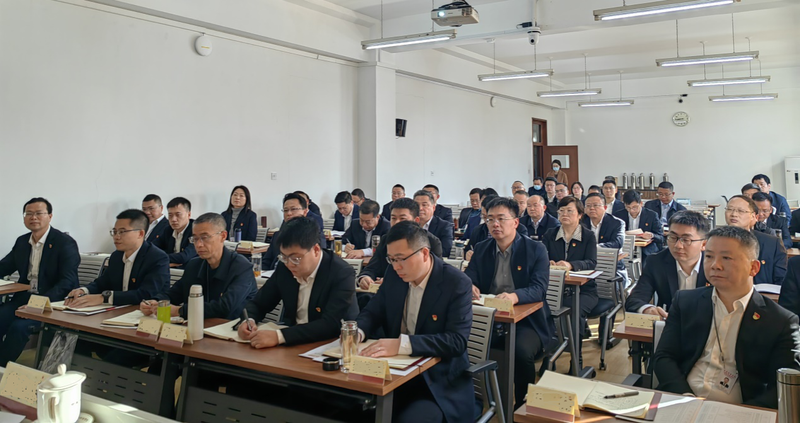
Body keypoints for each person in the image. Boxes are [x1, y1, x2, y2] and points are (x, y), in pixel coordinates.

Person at [653, 226, 798, 409]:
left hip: (739, 411)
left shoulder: (780, 321)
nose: (715, 265)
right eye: (709, 256)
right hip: (681, 401)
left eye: (726, 258)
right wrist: (685, 397)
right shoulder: (685, 302)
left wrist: (739, 413)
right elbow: (664, 357)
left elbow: (783, 385)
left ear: (753, 267)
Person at [355, 222, 474, 422]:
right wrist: (357, 332)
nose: (396, 266)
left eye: (401, 259)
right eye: (391, 259)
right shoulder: (394, 274)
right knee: (346, 406)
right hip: (394, 374)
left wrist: (401, 345)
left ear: (425, 253)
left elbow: (456, 341)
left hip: (436, 383)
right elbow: (373, 311)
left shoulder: (456, 282)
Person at [464, 197, 553, 409]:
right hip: (490, 319)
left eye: (501, 219)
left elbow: (539, 288)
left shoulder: (536, 249)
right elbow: (468, 278)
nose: (495, 224)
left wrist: (514, 296)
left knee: (520, 352)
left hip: (528, 321)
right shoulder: (482, 249)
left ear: (515, 222)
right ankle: (474, 400)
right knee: (462, 344)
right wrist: (469, 286)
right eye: (490, 219)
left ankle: (522, 403)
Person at [239, 218, 357, 348]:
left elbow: (331, 324)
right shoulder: (285, 268)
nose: (289, 264)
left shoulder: (341, 273)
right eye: (284, 257)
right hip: (293, 344)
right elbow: (259, 303)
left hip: (329, 346)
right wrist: (248, 321)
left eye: (296, 258)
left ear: (316, 250)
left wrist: (279, 336)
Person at [0, 198, 80, 366]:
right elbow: (5, 266)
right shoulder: (22, 241)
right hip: (25, 297)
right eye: (29, 213)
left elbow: (67, 282)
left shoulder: (65, 243)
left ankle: (2, 365)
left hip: (53, 301)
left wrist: (38, 303)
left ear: (50, 216)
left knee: (19, 327)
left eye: (38, 213)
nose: (33, 217)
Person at [142, 212, 258, 320]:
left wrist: (180, 311)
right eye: (195, 239)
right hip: (198, 325)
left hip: (231, 328)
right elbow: (175, 293)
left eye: (205, 237)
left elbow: (225, 308)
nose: (199, 244)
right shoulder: (194, 265)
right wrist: (155, 301)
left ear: (223, 236)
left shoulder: (241, 267)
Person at [65, 209, 169, 308]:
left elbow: (146, 294)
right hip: (118, 311)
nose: (116, 237)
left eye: (122, 232)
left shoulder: (157, 258)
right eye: (114, 232)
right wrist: (84, 290)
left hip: (144, 314)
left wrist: (105, 298)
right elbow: (102, 283)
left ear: (140, 234)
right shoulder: (116, 256)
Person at [626, 211, 710, 316]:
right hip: (669, 321)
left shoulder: (715, 265)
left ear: (704, 244)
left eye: (686, 240)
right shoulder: (656, 262)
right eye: (673, 237)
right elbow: (635, 299)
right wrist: (647, 309)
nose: (678, 245)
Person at [357, 198, 443, 291]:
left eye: (402, 218)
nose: (396, 222)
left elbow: (435, 276)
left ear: (416, 220)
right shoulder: (386, 239)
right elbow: (372, 267)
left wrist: (393, 282)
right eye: (393, 218)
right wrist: (365, 277)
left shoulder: (431, 241)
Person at [542, 197, 598, 338]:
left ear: (580, 215)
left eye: (569, 211)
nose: (564, 214)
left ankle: (574, 349)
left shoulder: (588, 236)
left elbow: (591, 262)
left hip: (584, 291)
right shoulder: (550, 234)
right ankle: (550, 345)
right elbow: (541, 258)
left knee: (574, 310)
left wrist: (571, 265)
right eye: (561, 211)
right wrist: (548, 263)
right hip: (555, 289)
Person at [724, 195, 787, 285]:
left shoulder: (772, 243)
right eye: (729, 209)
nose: (734, 214)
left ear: (753, 216)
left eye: (741, 211)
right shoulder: (715, 241)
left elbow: (781, 280)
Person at [263, 193, 327, 270]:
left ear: (305, 212)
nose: (289, 213)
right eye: (285, 210)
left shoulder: (313, 234)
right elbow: (266, 261)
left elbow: (320, 261)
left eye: (293, 209)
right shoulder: (277, 235)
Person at [613, 190, 663, 261]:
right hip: (625, 248)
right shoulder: (619, 215)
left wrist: (652, 235)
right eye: (628, 207)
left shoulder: (652, 215)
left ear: (641, 204)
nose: (631, 210)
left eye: (635, 207)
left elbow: (661, 237)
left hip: (646, 250)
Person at [152, 197, 197, 268]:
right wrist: (165, 262)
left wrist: (161, 259)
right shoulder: (168, 230)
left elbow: (184, 257)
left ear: (189, 215)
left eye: (178, 215)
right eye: (170, 215)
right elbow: (151, 249)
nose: (173, 219)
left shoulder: (196, 231)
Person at [414, 190, 454, 258]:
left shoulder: (445, 226)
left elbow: (445, 252)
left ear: (433, 207)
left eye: (424, 205)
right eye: (417, 205)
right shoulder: (408, 225)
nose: (420, 208)